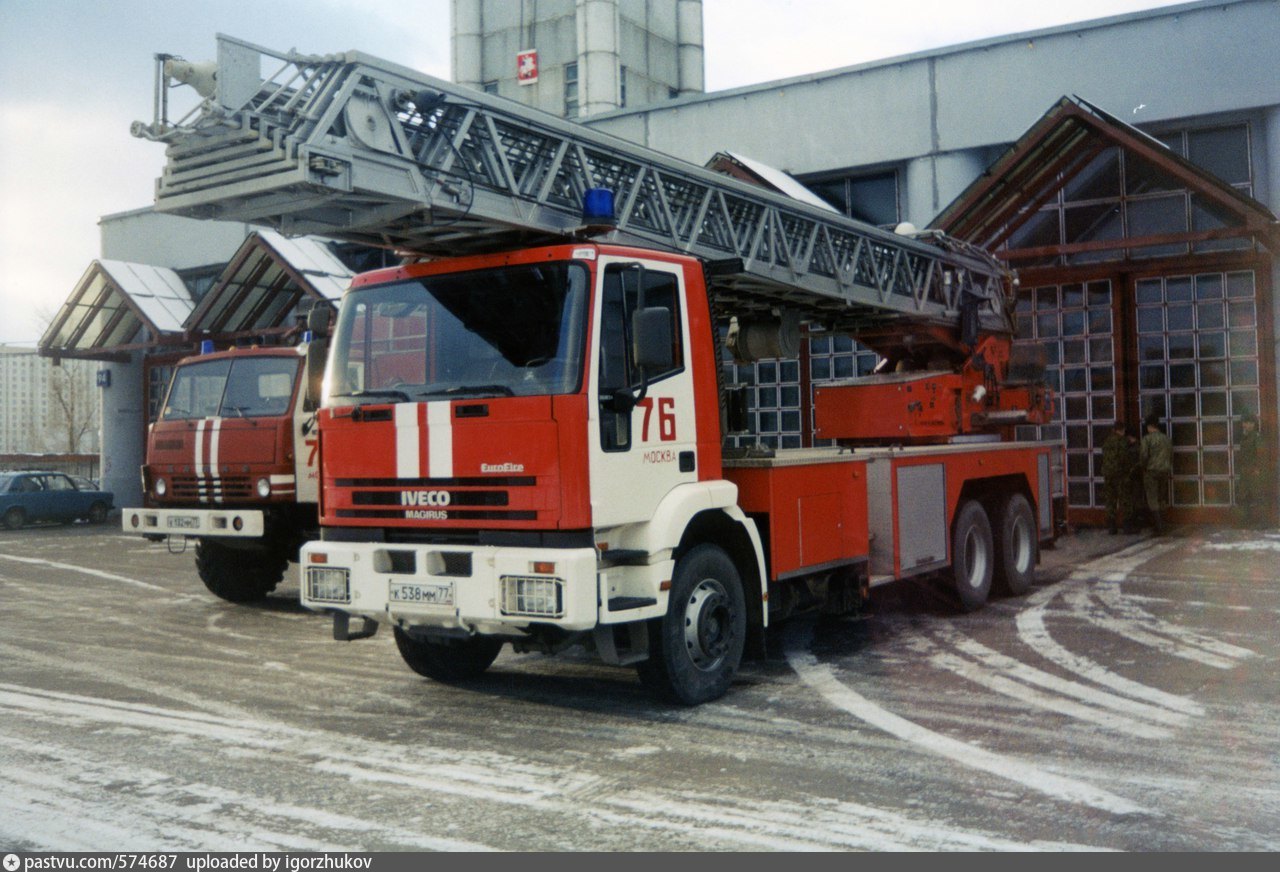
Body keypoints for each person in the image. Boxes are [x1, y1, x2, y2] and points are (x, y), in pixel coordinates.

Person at [1140, 415, 1173, 535]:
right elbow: (1171, 455)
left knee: (1152, 499)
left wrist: (1143, 468)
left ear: (1149, 426)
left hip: (1151, 471)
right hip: (1164, 470)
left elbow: (1143, 456)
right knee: (1161, 497)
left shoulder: (1147, 439)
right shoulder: (1166, 439)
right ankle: (1163, 524)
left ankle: (1158, 527)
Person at [1100, 422, 1135, 534]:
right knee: (1125, 499)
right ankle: (1127, 527)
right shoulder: (1123, 441)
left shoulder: (1107, 441)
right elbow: (1125, 458)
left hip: (1108, 474)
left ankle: (1112, 527)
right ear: (1122, 430)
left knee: (1110, 500)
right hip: (1120, 474)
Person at [1235, 414, 1267, 530]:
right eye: (1244, 422)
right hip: (1245, 472)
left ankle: (1263, 523)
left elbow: (1261, 454)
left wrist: (1257, 469)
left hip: (1254, 472)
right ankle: (1245, 521)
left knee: (1258, 497)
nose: (1244, 425)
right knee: (1243, 497)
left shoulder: (1256, 437)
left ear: (1253, 424)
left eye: (1247, 422)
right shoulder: (1245, 437)